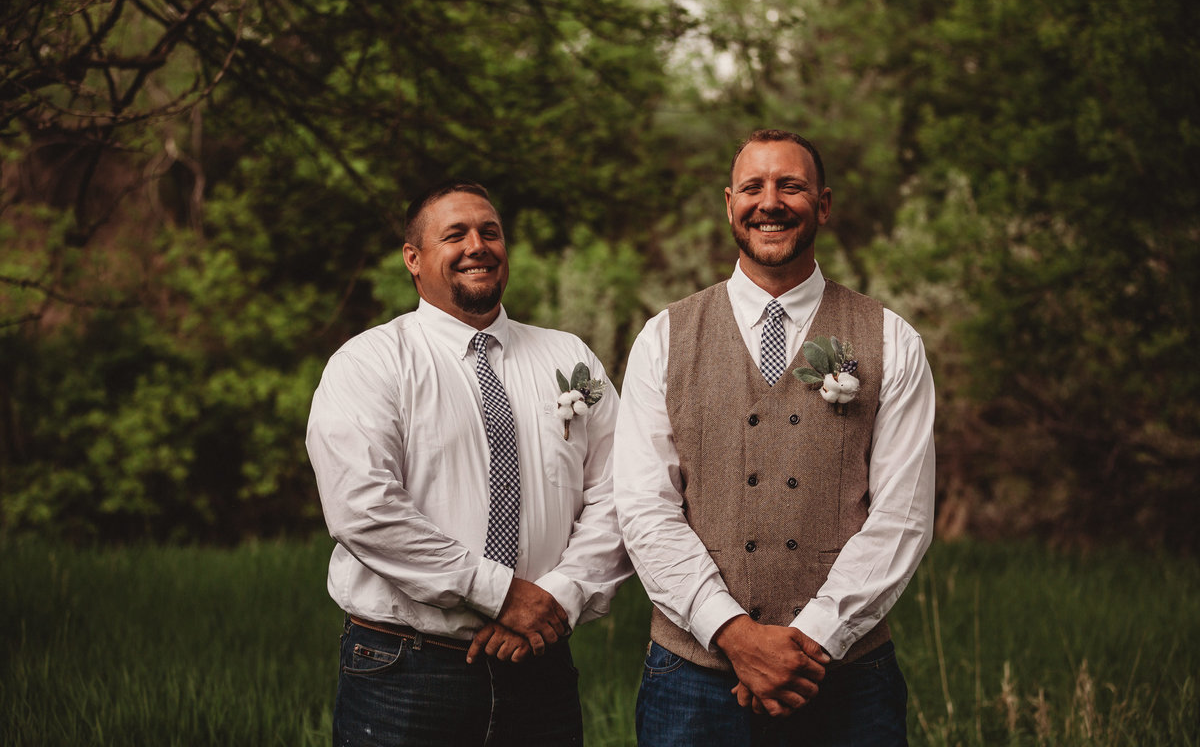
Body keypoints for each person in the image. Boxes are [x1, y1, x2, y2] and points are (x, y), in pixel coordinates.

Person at [614, 129, 936, 745]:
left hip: (845, 677)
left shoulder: (893, 339)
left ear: (823, 204)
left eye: (791, 186)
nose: (770, 202)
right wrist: (733, 634)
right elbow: (644, 509)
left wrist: (808, 642)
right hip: (693, 676)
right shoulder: (663, 338)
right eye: (753, 187)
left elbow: (902, 515)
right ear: (728, 202)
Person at [307, 179, 631, 746]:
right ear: (414, 258)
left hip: (541, 664)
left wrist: (560, 595)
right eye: (454, 234)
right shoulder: (369, 363)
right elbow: (363, 509)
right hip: (405, 672)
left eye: (491, 232)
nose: (477, 245)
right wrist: (502, 594)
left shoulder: (569, 355)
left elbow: (618, 488)